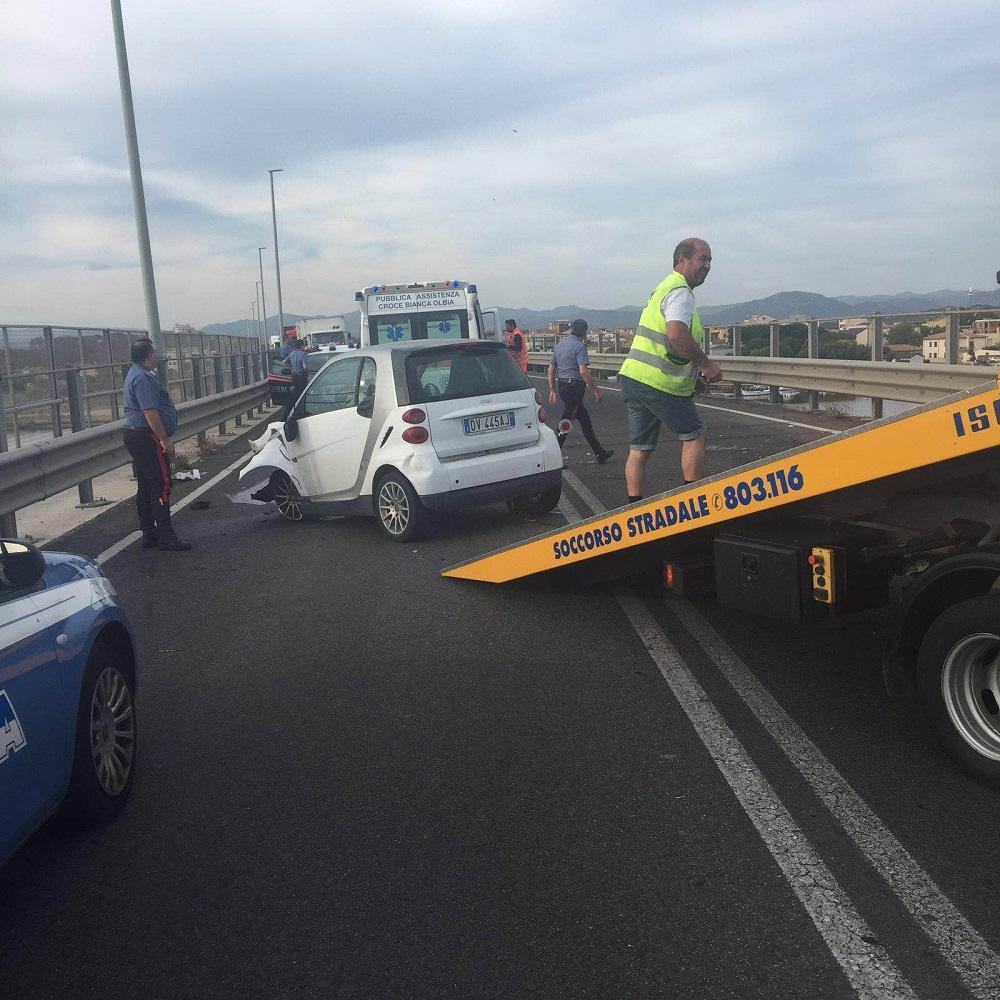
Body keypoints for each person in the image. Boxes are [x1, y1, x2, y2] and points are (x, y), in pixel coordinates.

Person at [618, 237, 722, 503]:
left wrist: (691, 379)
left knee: (640, 449)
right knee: (695, 435)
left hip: (634, 378)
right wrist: (706, 364)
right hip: (658, 383)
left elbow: (668, 345)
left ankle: (634, 508)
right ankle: (694, 502)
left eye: (710, 260)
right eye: (703, 259)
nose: (708, 266)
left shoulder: (663, 289)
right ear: (681, 260)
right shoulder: (681, 292)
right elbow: (676, 335)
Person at [121, 339, 192, 551]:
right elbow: (149, 412)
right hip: (146, 436)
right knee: (162, 484)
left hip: (137, 436)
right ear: (148, 355)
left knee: (146, 485)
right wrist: (164, 439)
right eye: (154, 353)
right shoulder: (142, 378)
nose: (156, 357)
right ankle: (166, 536)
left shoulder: (135, 373)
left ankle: (149, 533)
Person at [547, 319, 614, 464]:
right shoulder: (579, 346)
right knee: (566, 423)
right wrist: (595, 390)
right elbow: (583, 371)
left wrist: (552, 389)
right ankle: (552, 458)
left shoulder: (560, 345)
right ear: (584, 331)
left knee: (585, 422)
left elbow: (551, 369)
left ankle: (599, 453)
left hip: (563, 386)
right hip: (575, 388)